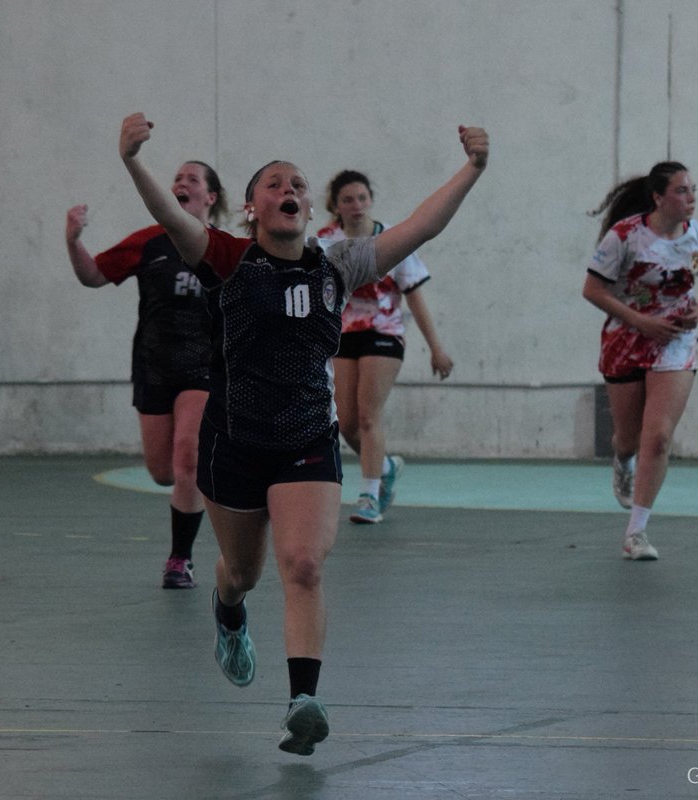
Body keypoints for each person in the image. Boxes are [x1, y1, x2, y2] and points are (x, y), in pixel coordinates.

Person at [118, 111, 488, 755]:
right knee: (242, 572)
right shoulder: (228, 258)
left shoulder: (338, 263)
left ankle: (303, 701)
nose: (289, 188)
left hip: (307, 439)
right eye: (274, 183)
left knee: (306, 566)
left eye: (297, 182)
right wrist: (132, 161)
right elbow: (175, 221)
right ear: (253, 209)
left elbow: (421, 226)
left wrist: (473, 169)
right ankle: (227, 614)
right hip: (234, 442)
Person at [64, 160, 227, 589]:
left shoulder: (223, 247)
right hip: (155, 366)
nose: (181, 182)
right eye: (177, 178)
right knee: (164, 472)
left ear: (210, 197)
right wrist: (72, 240)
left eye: (192, 179)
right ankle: (190, 495)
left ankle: (179, 558)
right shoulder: (149, 242)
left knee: (189, 453)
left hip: (204, 366)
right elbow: (93, 275)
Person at [582, 161, 698, 561]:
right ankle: (622, 459)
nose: (690, 197)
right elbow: (592, 290)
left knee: (658, 436)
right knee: (628, 440)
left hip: (676, 344)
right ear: (658, 197)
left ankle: (636, 533)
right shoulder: (625, 237)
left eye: (693, 189)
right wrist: (641, 321)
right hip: (626, 338)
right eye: (681, 190)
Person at [316, 170, 454, 524]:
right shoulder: (326, 242)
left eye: (362, 198)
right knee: (344, 422)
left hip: (384, 333)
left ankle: (369, 494)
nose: (356, 206)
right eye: (348, 200)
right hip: (343, 335)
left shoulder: (392, 239)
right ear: (336, 205)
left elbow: (415, 297)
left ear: (371, 200)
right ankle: (387, 465)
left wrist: (436, 348)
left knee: (367, 415)